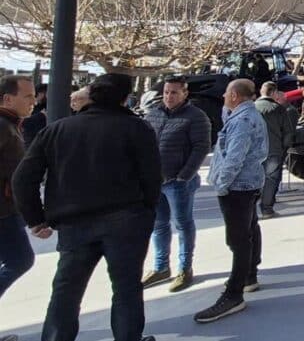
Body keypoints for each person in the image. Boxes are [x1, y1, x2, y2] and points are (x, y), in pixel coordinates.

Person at [13, 73, 161, 341]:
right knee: (126, 289)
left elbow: (23, 177)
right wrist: (147, 213)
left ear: (90, 96)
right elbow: (152, 177)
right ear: (125, 98)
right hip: (126, 219)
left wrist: (35, 218)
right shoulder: (137, 128)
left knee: (66, 291)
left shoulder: (57, 129)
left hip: (73, 222)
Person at [194, 79, 267, 324]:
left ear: (234, 95)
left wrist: (222, 184)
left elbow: (234, 156)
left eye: (226, 94)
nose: (224, 97)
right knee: (249, 230)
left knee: (238, 239)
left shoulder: (243, 123)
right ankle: (248, 276)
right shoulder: (244, 116)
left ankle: (233, 294)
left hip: (237, 187)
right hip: (248, 184)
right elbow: (228, 121)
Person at [141, 76, 212, 293]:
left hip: (178, 183)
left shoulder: (196, 117)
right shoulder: (153, 114)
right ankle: (161, 267)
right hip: (156, 182)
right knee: (159, 225)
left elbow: (201, 147)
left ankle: (185, 269)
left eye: (174, 92)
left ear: (184, 94)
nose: (169, 96)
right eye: (166, 92)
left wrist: (185, 175)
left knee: (182, 224)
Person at [0, 76, 36, 325]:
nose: (33, 101)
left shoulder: (11, 123)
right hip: (3, 212)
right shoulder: (2, 125)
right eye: (28, 96)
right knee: (20, 260)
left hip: (8, 209)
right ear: (7, 98)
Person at [254, 82, 294, 218]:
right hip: (274, 149)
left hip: (254, 150)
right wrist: (284, 147)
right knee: (271, 179)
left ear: (261, 91)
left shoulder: (251, 108)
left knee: (253, 178)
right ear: (274, 93)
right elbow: (288, 132)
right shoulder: (278, 109)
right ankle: (267, 209)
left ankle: (250, 208)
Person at [21, 82, 46, 147]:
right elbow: (24, 121)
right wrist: (41, 115)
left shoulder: (44, 105)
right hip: (31, 138)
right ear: (41, 93)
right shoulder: (29, 105)